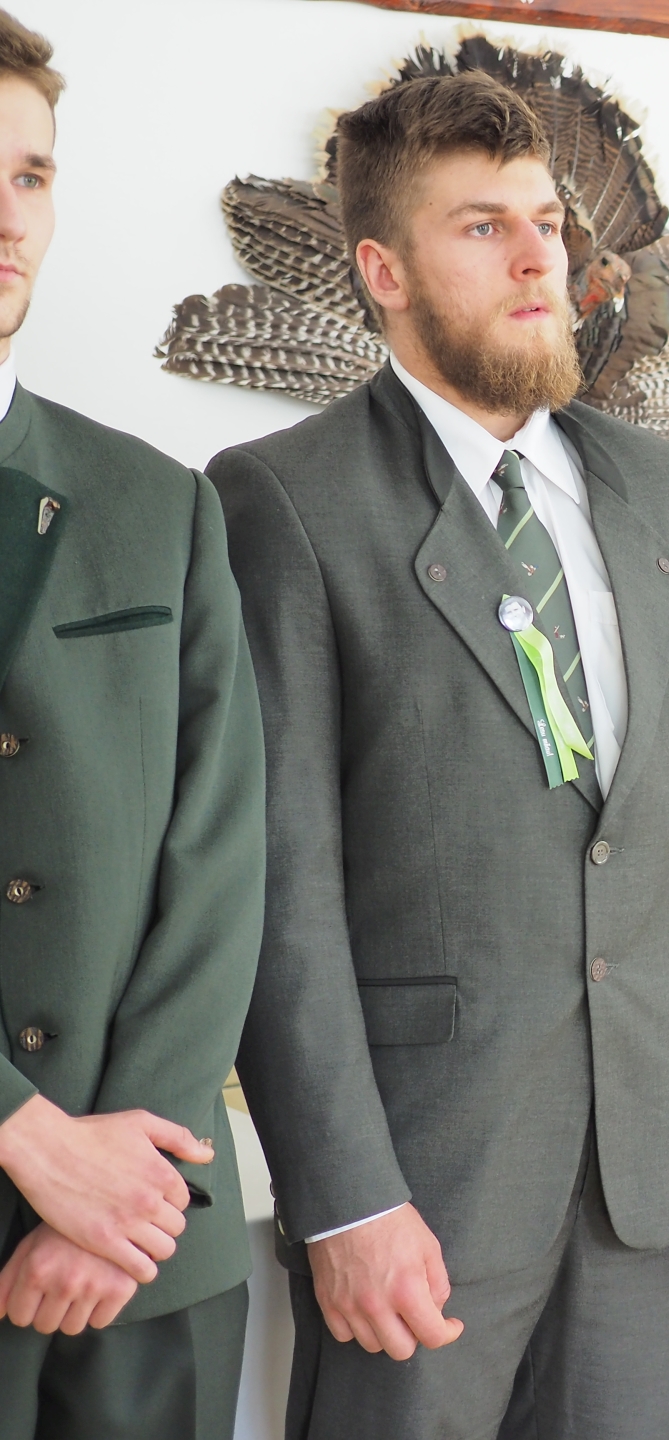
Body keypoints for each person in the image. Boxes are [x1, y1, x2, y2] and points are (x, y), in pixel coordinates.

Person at [208, 71, 669, 1440]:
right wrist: (344, 1198)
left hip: (646, 1165)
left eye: (546, 221)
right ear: (385, 271)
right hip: (423, 1186)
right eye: (483, 227)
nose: (541, 256)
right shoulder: (282, 501)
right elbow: (279, 890)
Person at [0, 11, 265, 1438]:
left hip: (145, 1255)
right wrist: (26, 1137)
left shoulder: (161, 504)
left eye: (32, 174)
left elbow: (221, 853)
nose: (9, 215)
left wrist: (130, 1181)